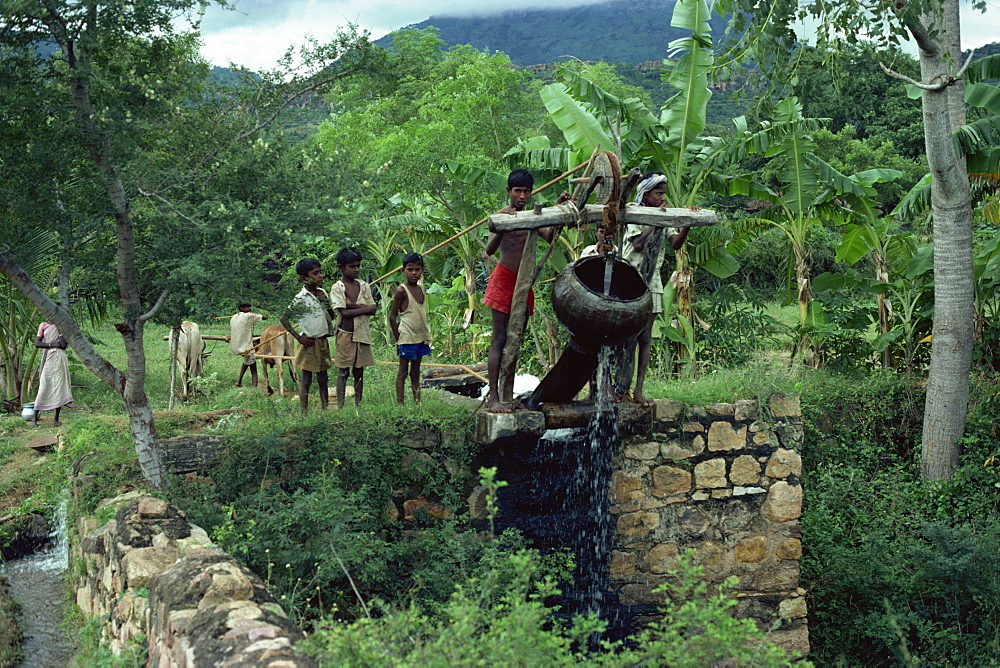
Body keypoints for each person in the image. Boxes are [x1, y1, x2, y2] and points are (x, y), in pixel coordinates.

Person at [482, 168, 557, 413]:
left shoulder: (534, 217)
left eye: (526, 191)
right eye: (517, 191)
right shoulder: (501, 216)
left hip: (523, 282)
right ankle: (493, 398)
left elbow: (551, 238)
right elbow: (490, 250)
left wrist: (560, 208)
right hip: (503, 279)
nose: (522, 196)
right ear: (509, 192)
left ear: (531, 192)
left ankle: (507, 394)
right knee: (500, 338)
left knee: (515, 338)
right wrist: (502, 225)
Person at [621, 172, 689, 406]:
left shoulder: (663, 215)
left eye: (663, 194)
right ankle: (620, 387)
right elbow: (638, 245)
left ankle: (638, 390)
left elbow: (675, 243)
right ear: (646, 194)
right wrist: (654, 222)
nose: (662, 198)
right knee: (623, 335)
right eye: (658, 194)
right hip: (630, 278)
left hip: (652, 280)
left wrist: (685, 224)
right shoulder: (634, 214)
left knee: (646, 337)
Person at [280, 258, 334, 413]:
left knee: (323, 377)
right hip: (309, 342)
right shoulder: (301, 298)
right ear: (304, 278)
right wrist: (299, 337)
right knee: (307, 379)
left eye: (320, 272)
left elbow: (331, 315)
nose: (320, 276)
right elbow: (284, 318)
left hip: (322, 341)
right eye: (315, 273)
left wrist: (325, 302)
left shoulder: (322, 293)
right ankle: (304, 412)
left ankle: (325, 409)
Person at [329, 247, 377, 408]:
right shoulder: (337, 288)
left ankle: (358, 405)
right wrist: (365, 309)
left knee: (359, 372)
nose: (356, 269)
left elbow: (373, 310)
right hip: (345, 335)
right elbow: (344, 312)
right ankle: (341, 406)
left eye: (358, 265)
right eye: (352, 266)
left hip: (362, 334)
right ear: (341, 267)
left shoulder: (364, 286)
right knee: (343, 371)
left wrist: (352, 305)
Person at [389, 252, 433, 405]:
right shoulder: (402, 290)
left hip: (420, 337)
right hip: (407, 337)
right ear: (403, 271)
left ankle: (417, 403)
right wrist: (398, 338)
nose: (414, 273)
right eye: (410, 269)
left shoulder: (421, 288)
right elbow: (392, 316)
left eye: (417, 269)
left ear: (422, 271)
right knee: (402, 373)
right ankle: (401, 405)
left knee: (415, 372)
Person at [32, 322, 73, 427]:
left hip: (59, 359)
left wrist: (60, 332)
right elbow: (37, 343)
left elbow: (63, 345)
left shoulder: (62, 325)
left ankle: (56, 419)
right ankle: (34, 420)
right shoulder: (43, 325)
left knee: (59, 387)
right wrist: (52, 344)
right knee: (43, 386)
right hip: (49, 358)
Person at [230, 302, 267, 388]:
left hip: (236, 346)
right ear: (242, 308)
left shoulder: (234, 317)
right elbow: (265, 317)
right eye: (247, 307)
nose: (250, 308)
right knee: (253, 368)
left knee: (247, 361)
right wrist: (263, 312)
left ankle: (239, 381)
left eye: (250, 306)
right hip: (246, 347)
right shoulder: (248, 316)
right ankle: (254, 387)